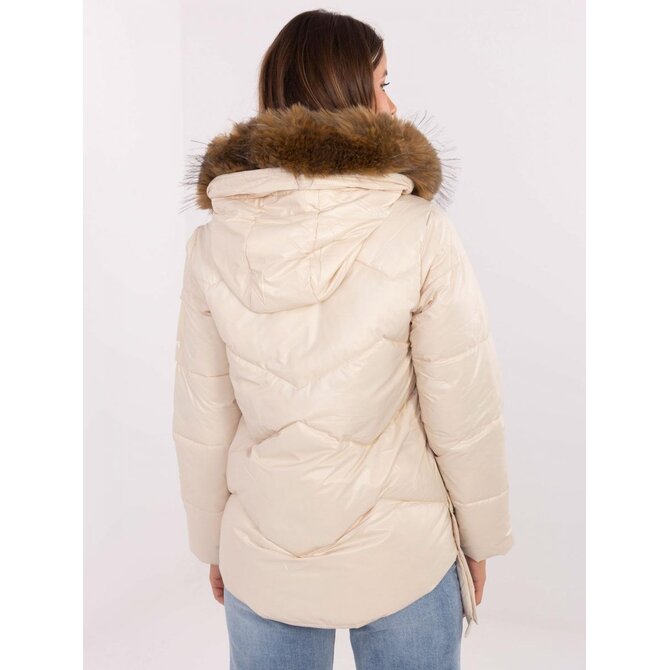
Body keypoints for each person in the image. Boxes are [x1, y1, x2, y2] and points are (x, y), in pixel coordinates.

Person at [172, 8, 514, 670]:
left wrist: (214, 545)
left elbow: (203, 418)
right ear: (346, 93)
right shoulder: (419, 230)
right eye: (383, 83)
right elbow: (463, 408)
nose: (392, 105)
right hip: (403, 555)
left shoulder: (213, 244)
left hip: (264, 557)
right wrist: (479, 539)